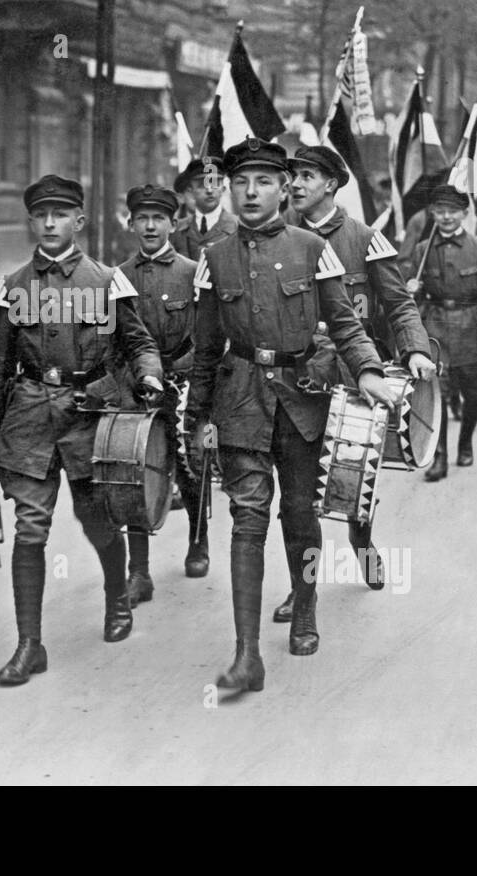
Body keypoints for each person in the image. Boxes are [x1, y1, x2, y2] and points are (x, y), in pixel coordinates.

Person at [187, 137, 394, 693]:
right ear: (229, 189)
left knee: (299, 515)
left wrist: (369, 371)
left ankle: (305, 607)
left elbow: (345, 322)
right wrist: (195, 421)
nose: (250, 192)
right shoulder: (213, 258)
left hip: (302, 400)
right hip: (239, 403)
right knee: (247, 519)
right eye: (240, 182)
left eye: (263, 182)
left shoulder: (312, 248)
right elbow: (205, 348)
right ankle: (247, 653)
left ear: (283, 188)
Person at [0, 175, 163, 687]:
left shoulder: (106, 282)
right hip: (29, 417)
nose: (51, 223)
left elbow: (138, 344)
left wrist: (148, 375)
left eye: (61, 214)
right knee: (29, 527)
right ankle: (28, 644)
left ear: (79, 222)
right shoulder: (14, 286)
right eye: (41, 215)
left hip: (90, 419)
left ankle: (115, 599)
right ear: (31, 222)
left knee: (97, 517)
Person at [274, 144, 433, 615]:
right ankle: (302, 591)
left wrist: (417, 350)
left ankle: (362, 541)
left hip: (354, 382)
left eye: (306, 176)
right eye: (292, 176)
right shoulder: (278, 238)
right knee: (297, 500)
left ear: (331, 184)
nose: (295, 184)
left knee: (350, 482)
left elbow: (400, 304)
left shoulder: (366, 239)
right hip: (296, 384)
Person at [118, 184, 206, 598]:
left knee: (191, 466)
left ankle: (198, 539)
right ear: (131, 222)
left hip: (183, 382)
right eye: (142, 218)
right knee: (135, 471)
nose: (150, 226)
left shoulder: (193, 271)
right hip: (137, 388)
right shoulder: (117, 277)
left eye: (159, 218)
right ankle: (139, 571)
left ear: (174, 223)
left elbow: (208, 334)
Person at [405, 185, 477, 479]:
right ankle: (440, 456)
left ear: (464, 213)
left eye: (452, 211)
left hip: (471, 330)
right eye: (439, 211)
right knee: (437, 393)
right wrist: (411, 290)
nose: (446, 217)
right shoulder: (423, 251)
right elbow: (411, 300)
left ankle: (465, 442)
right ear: (432, 213)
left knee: (474, 394)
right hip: (436, 329)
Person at [170, 158, 236, 260]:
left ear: (223, 189)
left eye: (214, 184)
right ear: (191, 191)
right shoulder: (175, 230)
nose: (209, 190)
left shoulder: (239, 227)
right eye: (202, 185)